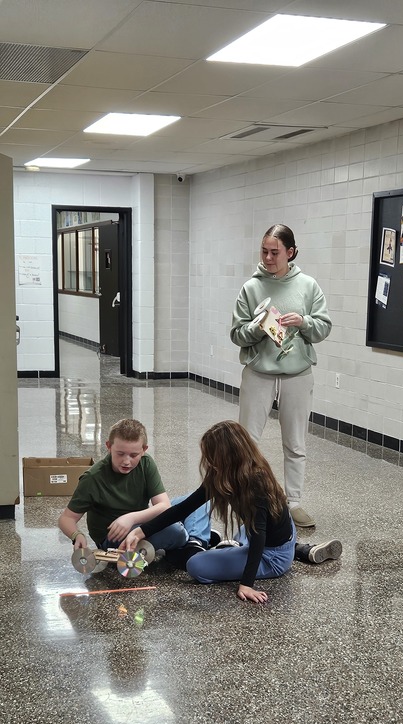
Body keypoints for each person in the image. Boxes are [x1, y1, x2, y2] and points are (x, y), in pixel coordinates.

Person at [122, 420, 341, 605]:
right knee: (239, 536)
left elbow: (259, 537)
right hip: (267, 533)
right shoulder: (223, 474)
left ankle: (292, 552)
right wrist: (141, 532)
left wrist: (247, 584)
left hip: (271, 554)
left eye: (211, 456)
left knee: (196, 565)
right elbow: (183, 508)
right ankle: (297, 549)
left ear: (228, 457)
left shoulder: (256, 482)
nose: (207, 461)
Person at [230, 224, 332, 529]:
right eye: (264, 250)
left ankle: (294, 502)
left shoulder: (308, 286)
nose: (268, 257)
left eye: (275, 252)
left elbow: (324, 326)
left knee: (296, 441)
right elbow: (237, 334)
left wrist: (303, 321)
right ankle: (247, 499)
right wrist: (257, 326)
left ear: (291, 252)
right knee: (247, 440)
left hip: (297, 373)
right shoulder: (250, 288)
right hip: (258, 373)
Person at [58, 417, 212, 561]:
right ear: (108, 447)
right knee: (175, 531)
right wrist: (76, 535)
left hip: (140, 522)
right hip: (114, 538)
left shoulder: (146, 463)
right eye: (120, 454)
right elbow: (67, 518)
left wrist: (130, 518)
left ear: (144, 449)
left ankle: (193, 544)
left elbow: (164, 505)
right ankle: (193, 539)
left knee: (201, 499)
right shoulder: (92, 478)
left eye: (134, 455)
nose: (126, 461)